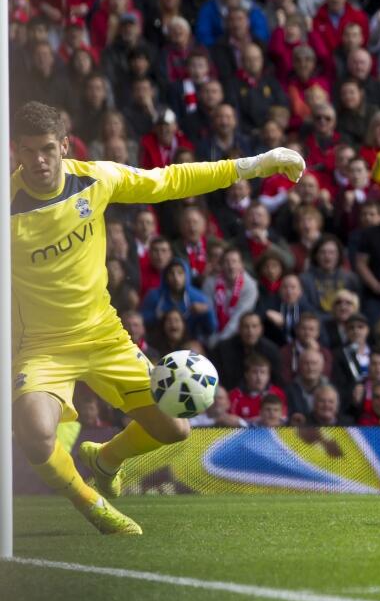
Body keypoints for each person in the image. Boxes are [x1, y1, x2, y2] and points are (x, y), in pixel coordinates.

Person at [9, 101, 303, 535]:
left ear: (64, 147)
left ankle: (104, 459)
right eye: (29, 151)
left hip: (103, 335)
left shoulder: (95, 179)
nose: (39, 161)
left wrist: (255, 165)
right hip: (41, 347)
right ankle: (90, 503)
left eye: (48, 149)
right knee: (35, 434)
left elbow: (170, 180)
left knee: (176, 428)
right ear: (15, 150)